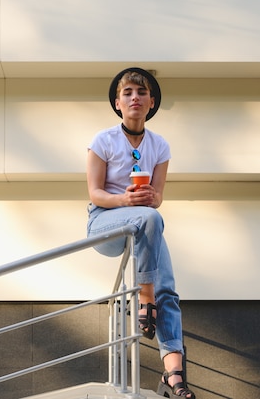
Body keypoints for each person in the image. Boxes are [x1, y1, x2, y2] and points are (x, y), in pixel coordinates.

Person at [86, 67, 195, 398]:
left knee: (169, 287)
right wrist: (125, 199)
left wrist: (149, 198)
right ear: (118, 103)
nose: (135, 97)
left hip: (143, 223)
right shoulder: (103, 141)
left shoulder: (160, 146)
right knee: (148, 219)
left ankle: (173, 373)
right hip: (104, 223)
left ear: (151, 103)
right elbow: (94, 193)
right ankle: (144, 298)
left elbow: (158, 198)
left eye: (142, 93)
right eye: (128, 92)